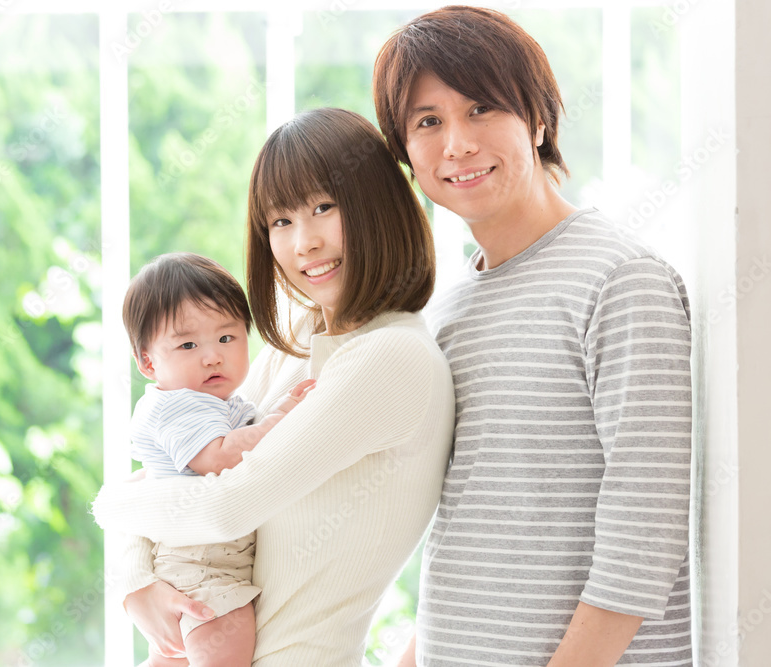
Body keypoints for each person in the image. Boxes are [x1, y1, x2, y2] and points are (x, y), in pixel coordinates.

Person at [373, 6, 693, 666]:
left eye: (482, 108)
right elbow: (472, 526)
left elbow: (645, 533)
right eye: (427, 122)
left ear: (538, 119)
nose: (456, 143)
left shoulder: (621, 279)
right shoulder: (451, 306)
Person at [93, 107, 455, 666]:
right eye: (280, 221)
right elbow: (177, 467)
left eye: (323, 207)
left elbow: (223, 508)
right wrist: (134, 580)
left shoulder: (392, 357)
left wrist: (112, 504)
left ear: (378, 204)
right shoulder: (300, 339)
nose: (303, 242)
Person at [119, 251, 315, 667]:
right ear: (148, 361)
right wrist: (281, 418)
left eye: (227, 338)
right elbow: (219, 459)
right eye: (188, 344)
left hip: (196, 565)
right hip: (204, 570)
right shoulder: (181, 405)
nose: (212, 356)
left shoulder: (209, 402)